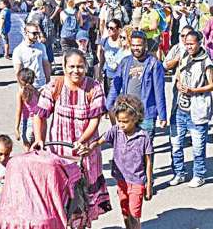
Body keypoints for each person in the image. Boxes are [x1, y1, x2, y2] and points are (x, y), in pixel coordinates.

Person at [32, 49, 112, 227]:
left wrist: (82, 140)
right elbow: (39, 115)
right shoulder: (55, 86)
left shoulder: (94, 87)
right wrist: (39, 139)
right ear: (64, 67)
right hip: (58, 155)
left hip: (86, 153)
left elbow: (94, 121)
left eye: (80, 67)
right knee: (58, 199)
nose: (76, 71)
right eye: (72, 67)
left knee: (82, 201)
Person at [87, 95, 153, 229]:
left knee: (134, 214)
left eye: (125, 121)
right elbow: (100, 140)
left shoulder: (143, 136)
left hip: (137, 181)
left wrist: (149, 184)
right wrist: (90, 147)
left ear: (135, 118)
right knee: (125, 212)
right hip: (121, 179)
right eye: (119, 121)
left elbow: (149, 161)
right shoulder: (116, 131)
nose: (121, 124)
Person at [169, 31, 213, 188]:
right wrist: (178, 85)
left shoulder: (206, 61)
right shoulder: (183, 56)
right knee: (176, 144)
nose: (189, 46)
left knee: (198, 146)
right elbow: (178, 76)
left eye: (192, 43)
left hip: (197, 109)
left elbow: (212, 84)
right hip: (180, 108)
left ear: (199, 43)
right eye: (186, 43)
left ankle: (199, 174)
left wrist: (193, 91)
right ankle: (179, 172)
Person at [107, 31, 167, 145]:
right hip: (127, 112)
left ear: (145, 45)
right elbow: (116, 85)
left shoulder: (154, 64)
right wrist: (108, 105)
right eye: (133, 45)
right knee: (129, 148)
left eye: (139, 45)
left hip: (147, 114)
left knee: (145, 149)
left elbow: (160, 92)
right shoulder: (125, 62)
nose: (136, 48)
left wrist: (162, 116)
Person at [12, 22, 51, 90]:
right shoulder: (18, 50)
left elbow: (46, 64)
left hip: (42, 85)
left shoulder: (41, 46)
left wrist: (48, 80)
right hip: (28, 86)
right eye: (34, 33)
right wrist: (22, 87)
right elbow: (18, 71)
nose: (37, 35)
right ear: (26, 33)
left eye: (38, 33)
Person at [14, 68, 39, 151]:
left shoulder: (21, 92)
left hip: (27, 121)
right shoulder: (36, 91)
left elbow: (19, 111)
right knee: (36, 147)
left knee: (27, 147)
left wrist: (16, 128)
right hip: (37, 121)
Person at [98, 19, 123, 92]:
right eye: (107, 27)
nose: (109, 30)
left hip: (119, 76)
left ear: (118, 29)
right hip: (108, 75)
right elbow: (102, 57)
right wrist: (100, 71)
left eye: (111, 28)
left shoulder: (122, 42)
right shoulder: (105, 41)